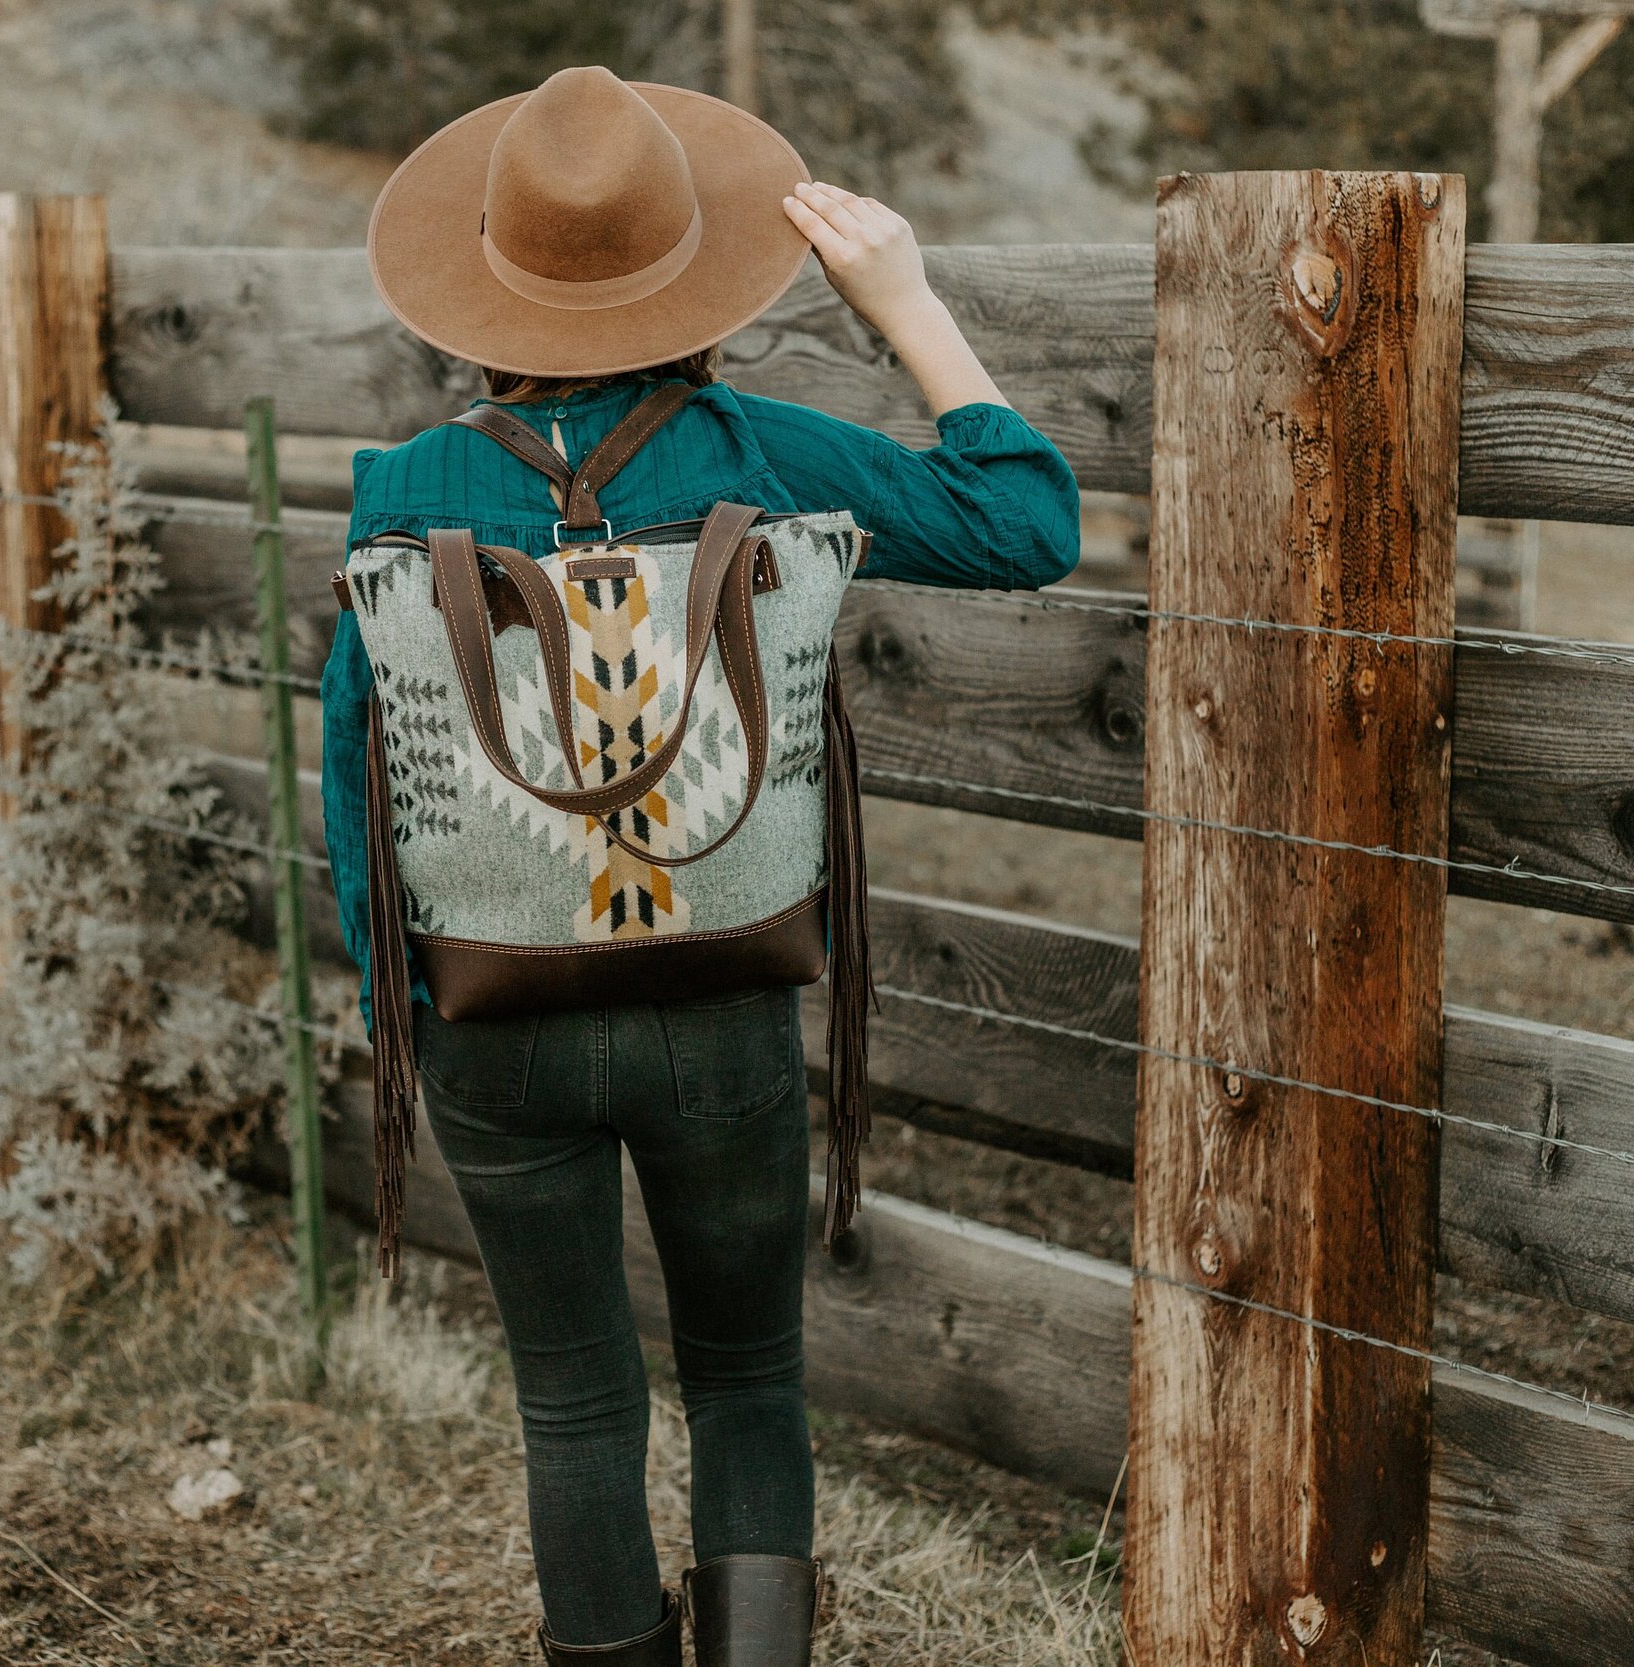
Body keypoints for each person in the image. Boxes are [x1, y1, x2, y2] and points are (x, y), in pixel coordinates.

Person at [318, 65, 1079, 1666]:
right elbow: (1028, 523)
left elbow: (354, 784)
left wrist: (418, 1014)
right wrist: (904, 302)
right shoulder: (763, 450)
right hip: (723, 988)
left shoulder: (402, 495)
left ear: (482, 291)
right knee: (748, 1382)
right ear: (695, 273)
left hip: (490, 1006)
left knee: (574, 1404)